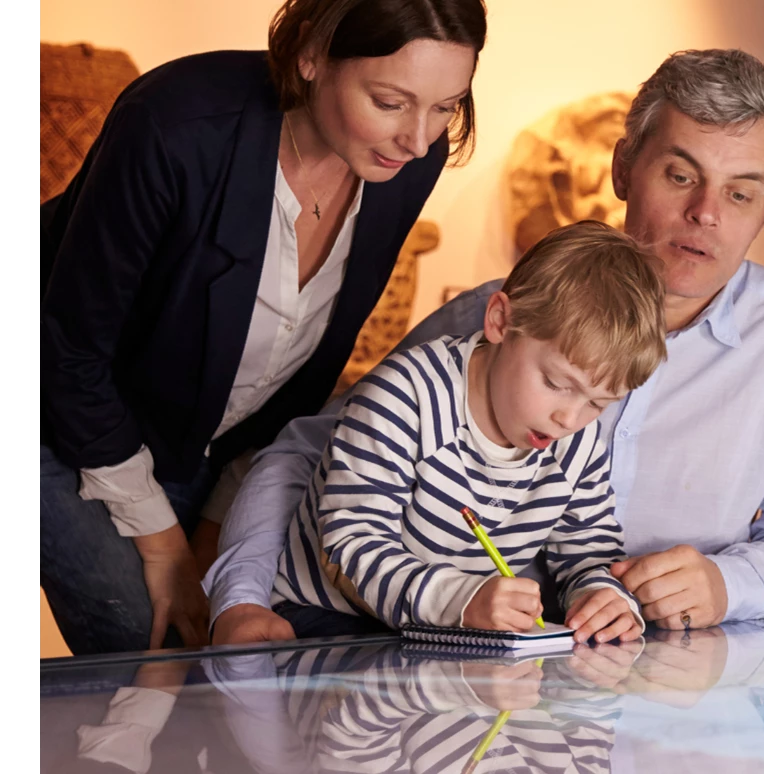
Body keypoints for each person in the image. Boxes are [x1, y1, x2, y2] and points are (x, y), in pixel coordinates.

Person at [206, 47, 764, 646]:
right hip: (440, 645)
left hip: (665, 670)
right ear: (623, 169)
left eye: (740, 193)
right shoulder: (499, 318)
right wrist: (235, 599)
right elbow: (310, 458)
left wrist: (724, 585)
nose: (706, 213)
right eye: (680, 175)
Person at [39, 0, 488, 655]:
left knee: (254, 633)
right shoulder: (174, 124)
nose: (419, 139)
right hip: (62, 409)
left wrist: (218, 522)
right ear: (310, 54)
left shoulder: (406, 161)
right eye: (390, 102)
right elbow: (69, 352)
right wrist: (163, 543)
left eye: (446, 106)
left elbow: (316, 356)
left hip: (195, 437)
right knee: (151, 642)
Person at [272, 220, 666, 644]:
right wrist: (461, 602)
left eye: (598, 403)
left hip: (448, 632)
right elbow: (350, 549)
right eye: (555, 383)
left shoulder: (577, 441)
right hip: (328, 620)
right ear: (500, 321)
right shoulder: (404, 398)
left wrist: (602, 598)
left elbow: (588, 549)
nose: (569, 420)